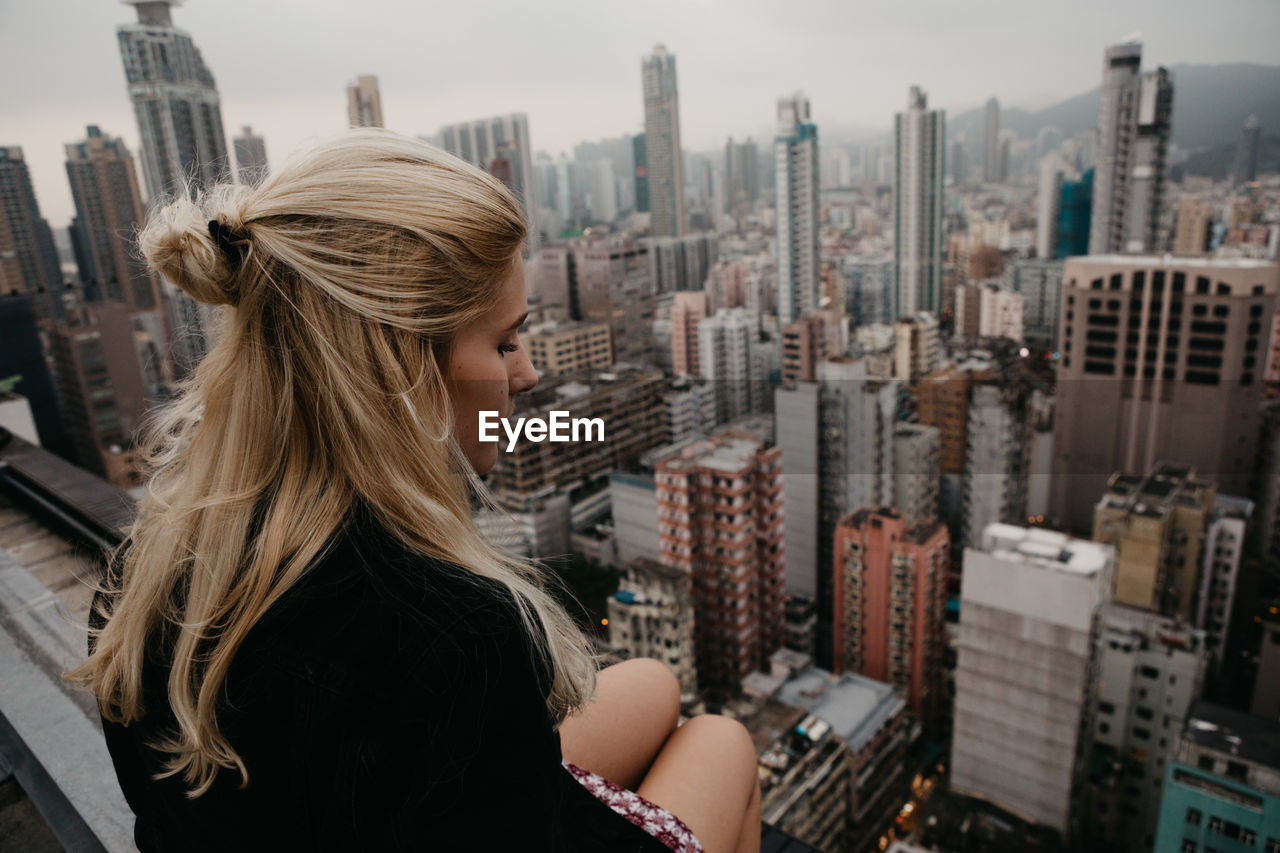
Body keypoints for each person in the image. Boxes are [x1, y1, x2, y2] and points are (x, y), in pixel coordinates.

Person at [67, 129, 761, 852]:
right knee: (721, 742)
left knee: (651, 684)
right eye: (503, 341)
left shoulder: (143, 569)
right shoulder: (453, 635)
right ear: (400, 370)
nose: (524, 376)